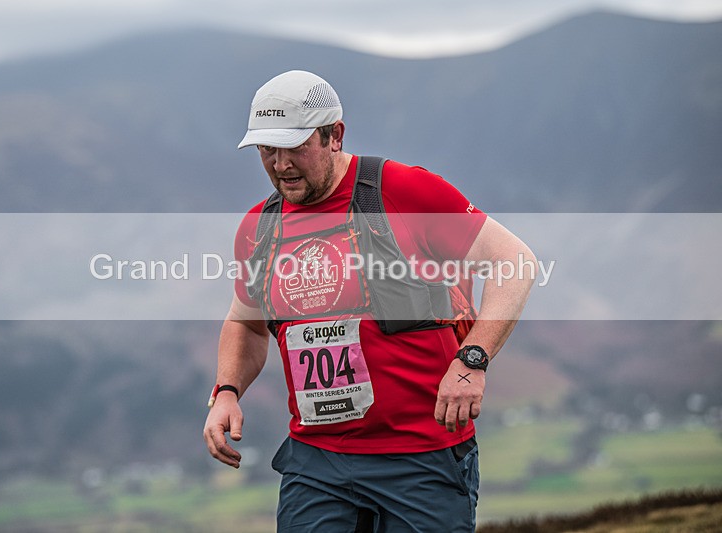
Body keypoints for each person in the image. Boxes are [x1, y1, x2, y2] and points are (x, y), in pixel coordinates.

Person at [203, 70, 537, 532]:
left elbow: (514, 262)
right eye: (267, 149)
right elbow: (245, 322)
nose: (280, 164)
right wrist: (226, 392)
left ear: (335, 135)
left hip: (421, 457)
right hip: (317, 462)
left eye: (295, 146)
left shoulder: (403, 191)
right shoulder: (259, 227)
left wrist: (472, 360)